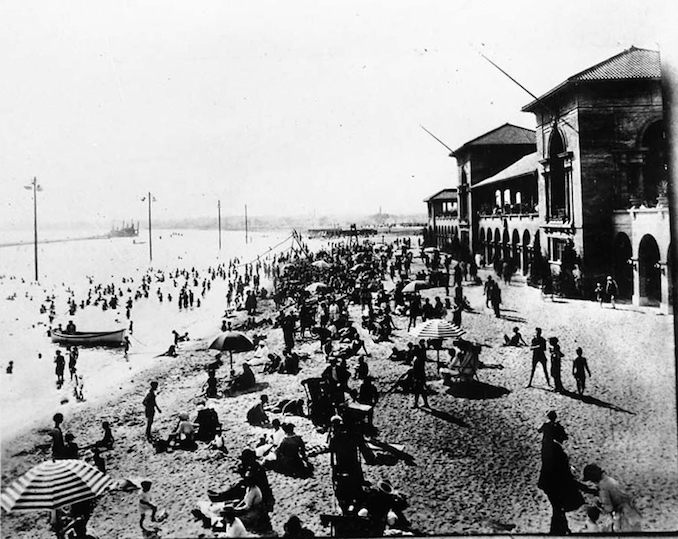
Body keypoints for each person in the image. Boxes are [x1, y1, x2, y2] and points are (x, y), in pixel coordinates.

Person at [537, 411, 584, 534]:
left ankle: (559, 529)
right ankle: (560, 530)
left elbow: (539, 430)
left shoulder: (546, 447)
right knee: (558, 507)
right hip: (557, 483)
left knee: (556, 507)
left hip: (548, 482)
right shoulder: (557, 451)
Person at [582, 464, 642, 532]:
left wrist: (599, 507)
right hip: (632, 513)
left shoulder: (603, 487)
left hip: (623, 519)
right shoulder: (610, 480)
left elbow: (609, 508)